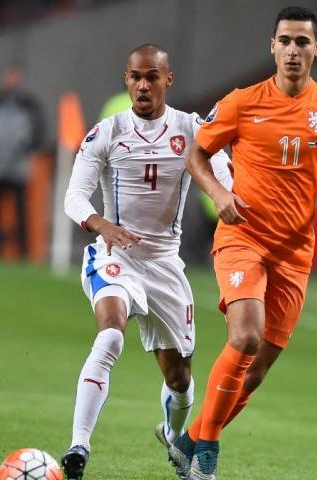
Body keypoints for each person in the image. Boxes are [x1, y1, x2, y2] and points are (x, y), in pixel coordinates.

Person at [170, 7, 317, 480]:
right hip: (243, 237)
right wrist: (219, 193)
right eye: (285, 40)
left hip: (295, 253)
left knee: (255, 370)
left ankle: (188, 440)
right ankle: (207, 455)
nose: (293, 50)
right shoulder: (243, 102)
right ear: (273, 46)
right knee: (244, 336)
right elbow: (196, 154)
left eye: (303, 42)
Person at [60, 43, 232, 480]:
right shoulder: (106, 132)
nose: (143, 84)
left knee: (179, 378)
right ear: (126, 79)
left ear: (167, 80)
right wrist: (102, 225)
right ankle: (78, 446)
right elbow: (74, 197)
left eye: (152, 76)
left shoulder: (192, 129)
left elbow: (226, 180)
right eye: (136, 76)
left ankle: (175, 442)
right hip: (115, 256)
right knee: (111, 335)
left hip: (165, 264)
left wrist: (234, 203)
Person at [0, 63, 45, 258]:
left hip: (19, 166)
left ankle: (23, 249)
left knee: (21, 209)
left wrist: (24, 148)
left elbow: (39, 131)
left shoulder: (28, 105)